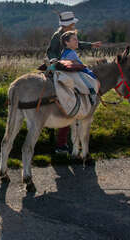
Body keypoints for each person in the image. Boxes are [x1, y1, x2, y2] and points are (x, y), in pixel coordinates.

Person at [46, 12, 102, 155]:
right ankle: (62, 143)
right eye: (72, 23)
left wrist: (90, 45)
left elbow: (77, 44)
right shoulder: (57, 37)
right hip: (61, 69)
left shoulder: (68, 36)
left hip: (66, 68)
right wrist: (56, 63)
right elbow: (51, 52)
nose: (74, 25)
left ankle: (68, 141)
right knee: (69, 102)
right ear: (67, 24)